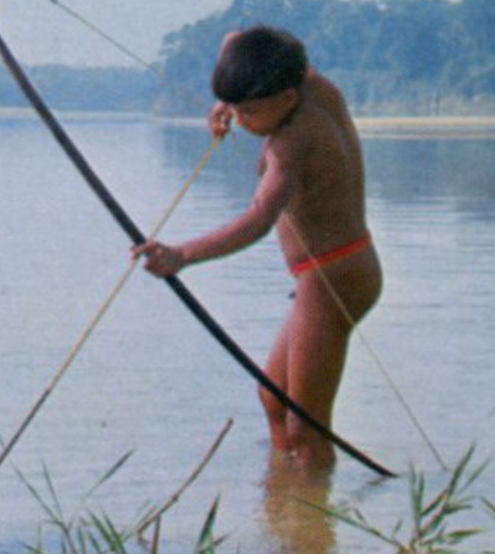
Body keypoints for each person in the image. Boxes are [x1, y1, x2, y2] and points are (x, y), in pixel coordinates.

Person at [134, 27, 382, 472]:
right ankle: (285, 515)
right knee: (273, 399)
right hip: (327, 274)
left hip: (334, 276)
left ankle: (309, 538)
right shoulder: (311, 82)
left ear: (287, 98)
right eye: (235, 108)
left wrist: (182, 255)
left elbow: (258, 220)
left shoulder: (294, 140)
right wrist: (228, 99)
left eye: (250, 111)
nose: (240, 120)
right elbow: (237, 36)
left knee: (307, 425)